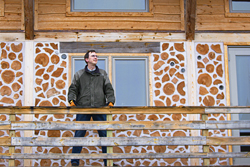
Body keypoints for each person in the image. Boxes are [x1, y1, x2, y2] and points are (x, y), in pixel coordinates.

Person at [68, 50, 115, 166]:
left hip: (100, 108)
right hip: (83, 108)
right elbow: (73, 88)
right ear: (87, 59)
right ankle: (74, 161)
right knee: (79, 134)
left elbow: (108, 88)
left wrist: (110, 101)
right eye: (93, 56)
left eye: (96, 56)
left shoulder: (103, 74)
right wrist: (71, 100)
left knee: (104, 135)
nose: (96, 57)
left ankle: (107, 162)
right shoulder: (79, 74)